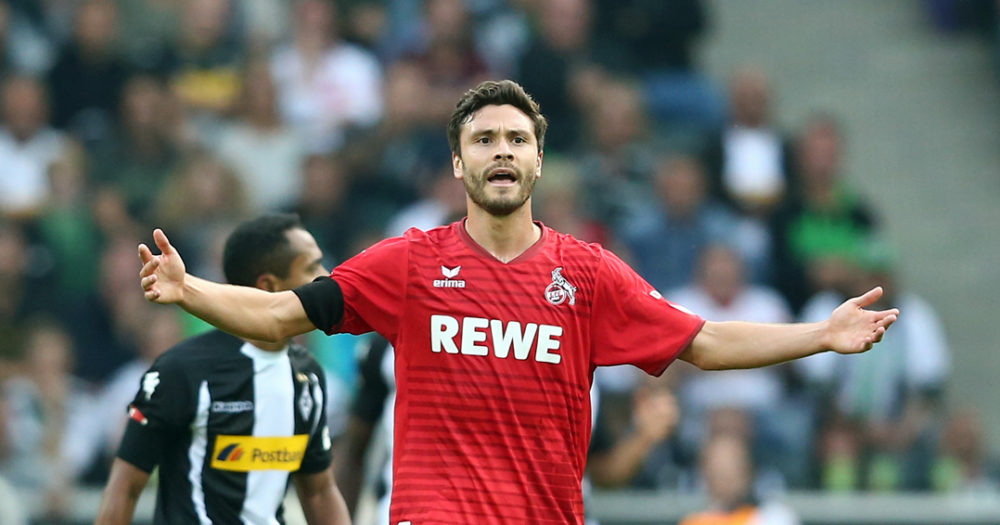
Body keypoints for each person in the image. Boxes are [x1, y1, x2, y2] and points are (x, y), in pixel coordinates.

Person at [138, 80, 899, 525]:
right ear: (458, 161)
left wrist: (821, 333)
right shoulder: (409, 263)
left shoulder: (590, 274)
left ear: (538, 157)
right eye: (483, 139)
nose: (500, 149)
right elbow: (278, 316)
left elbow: (701, 341)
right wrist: (189, 289)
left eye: (514, 138)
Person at [99, 214, 350, 524]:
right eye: (312, 267)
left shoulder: (307, 376)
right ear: (270, 286)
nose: (326, 278)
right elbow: (125, 488)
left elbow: (319, 491)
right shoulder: (184, 370)